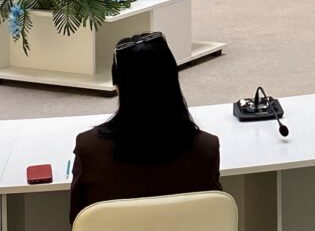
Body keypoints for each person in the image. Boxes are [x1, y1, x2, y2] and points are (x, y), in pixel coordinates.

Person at [69, 32, 221, 222]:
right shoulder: (207, 148)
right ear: (173, 81)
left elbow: (78, 220)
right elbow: (213, 218)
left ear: (118, 87)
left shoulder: (89, 148)